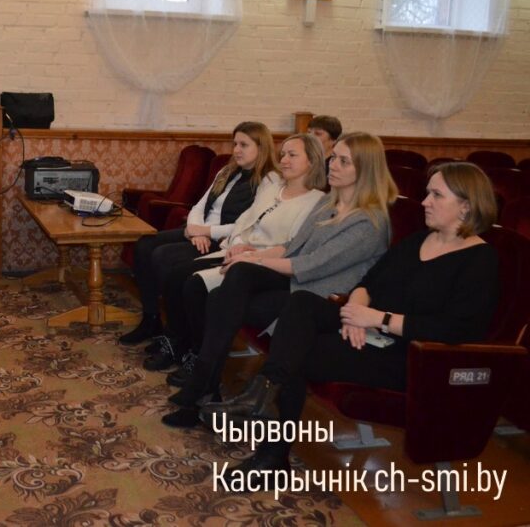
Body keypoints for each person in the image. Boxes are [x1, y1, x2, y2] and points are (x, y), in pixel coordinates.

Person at [204, 162, 499, 478]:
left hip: (409, 356)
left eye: (437, 195)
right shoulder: (418, 240)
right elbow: (368, 283)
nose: (425, 201)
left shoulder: (480, 260)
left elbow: (457, 329)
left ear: (466, 206)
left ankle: (271, 440)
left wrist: (378, 319)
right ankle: (264, 397)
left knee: (298, 350)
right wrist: (354, 314)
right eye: (427, 193)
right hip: (368, 329)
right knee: (302, 302)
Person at [163, 132, 396, 428]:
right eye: (334, 157)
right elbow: (292, 247)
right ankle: (204, 385)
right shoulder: (330, 203)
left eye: (343, 161)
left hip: (319, 299)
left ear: (365, 169)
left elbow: (312, 264)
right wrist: (252, 256)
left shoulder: (369, 221)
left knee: (226, 294)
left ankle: (202, 386)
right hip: (297, 284)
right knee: (235, 279)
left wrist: (257, 260)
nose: (333, 165)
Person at [155, 133, 327, 381]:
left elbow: (292, 246)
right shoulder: (274, 189)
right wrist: (237, 244)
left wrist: (251, 254)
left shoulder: (316, 202)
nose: (284, 160)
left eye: (292, 155)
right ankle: (180, 344)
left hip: (265, 264)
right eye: (283, 155)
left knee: (194, 286)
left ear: (312, 160)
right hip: (237, 250)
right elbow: (244, 221)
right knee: (177, 276)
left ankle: (199, 355)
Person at [121, 122, 278, 349]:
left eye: (244, 145)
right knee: (144, 244)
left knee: (163, 256)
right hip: (200, 232)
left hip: (224, 240)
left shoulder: (269, 180)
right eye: (235, 144)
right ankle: (151, 319)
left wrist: (206, 232)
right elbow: (199, 205)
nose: (236, 150)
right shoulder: (227, 171)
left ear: (261, 147)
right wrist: (196, 229)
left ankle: (176, 334)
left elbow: (248, 225)